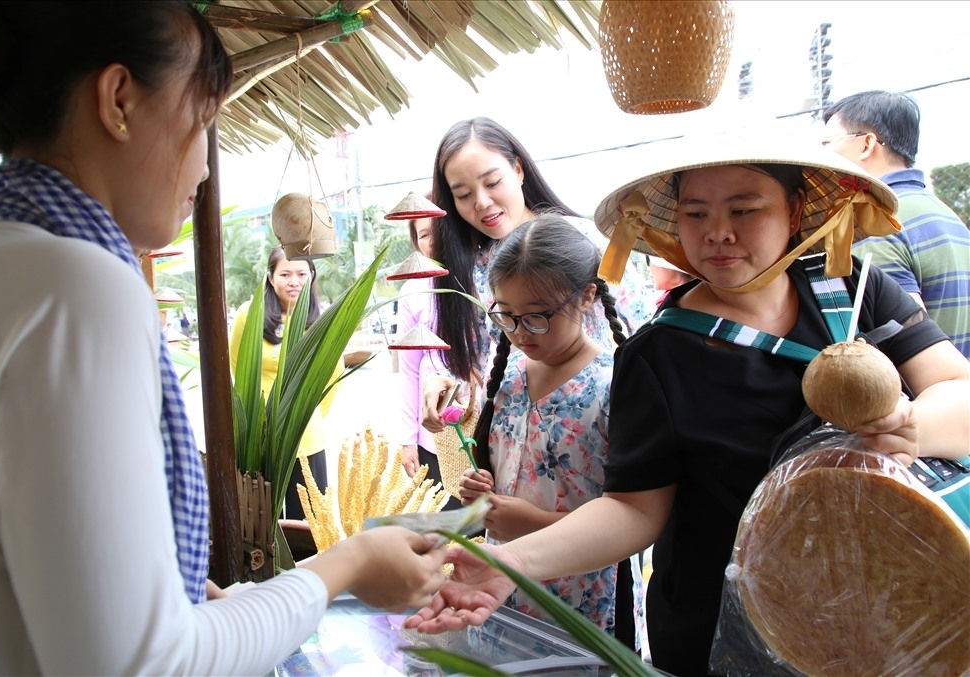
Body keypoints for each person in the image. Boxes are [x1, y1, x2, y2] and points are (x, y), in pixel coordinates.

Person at [0, 3, 447, 675]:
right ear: (118, 100)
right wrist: (347, 563)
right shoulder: (75, 288)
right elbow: (141, 665)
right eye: (201, 121)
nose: (203, 168)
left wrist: (190, 610)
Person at [405, 127, 970, 676]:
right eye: (696, 214)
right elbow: (633, 508)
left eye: (744, 210)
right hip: (720, 638)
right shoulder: (658, 353)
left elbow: (957, 391)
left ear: (795, 210)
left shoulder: (852, 291)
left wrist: (907, 425)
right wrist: (515, 562)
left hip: (888, 613)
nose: (718, 233)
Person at [457, 214, 642, 644]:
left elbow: (632, 515)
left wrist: (534, 522)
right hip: (499, 590)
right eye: (507, 316)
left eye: (538, 317)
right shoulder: (508, 375)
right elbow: (509, 467)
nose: (521, 333)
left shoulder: (613, 385)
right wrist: (481, 485)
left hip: (578, 602)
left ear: (587, 297)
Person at [422, 117, 653, 424]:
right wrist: (445, 383)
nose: (481, 202)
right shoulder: (471, 269)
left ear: (518, 170)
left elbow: (646, 328)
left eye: (492, 183)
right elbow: (473, 368)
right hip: (516, 427)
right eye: (463, 195)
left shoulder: (586, 241)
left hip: (600, 422)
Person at [822, 90, 970, 357]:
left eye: (827, 143)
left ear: (866, 144)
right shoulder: (945, 214)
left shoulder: (875, 222)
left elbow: (899, 341)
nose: (822, 156)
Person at [228, 245, 344, 517]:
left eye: (302, 274)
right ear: (270, 277)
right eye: (285, 274)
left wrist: (307, 413)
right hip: (259, 435)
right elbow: (236, 364)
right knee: (259, 521)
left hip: (305, 435)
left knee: (308, 523)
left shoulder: (322, 322)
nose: (294, 282)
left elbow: (333, 376)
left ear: (312, 276)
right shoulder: (249, 313)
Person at [396, 213, 461, 509]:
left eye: (437, 230)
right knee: (444, 527)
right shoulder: (412, 291)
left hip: (479, 426)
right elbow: (408, 371)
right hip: (432, 433)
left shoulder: (481, 278)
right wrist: (407, 439)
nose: (432, 241)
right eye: (423, 234)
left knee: (483, 528)